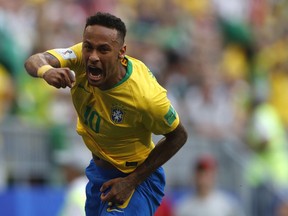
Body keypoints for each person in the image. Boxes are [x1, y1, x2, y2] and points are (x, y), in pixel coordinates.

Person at [24, 12, 187, 216]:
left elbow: (179, 136)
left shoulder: (145, 97)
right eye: (88, 47)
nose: (93, 56)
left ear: (121, 52)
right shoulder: (79, 58)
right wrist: (46, 71)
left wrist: (131, 181)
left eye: (103, 50)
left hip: (137, 179)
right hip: (98, 174)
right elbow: (35, 60)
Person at [174, 154, 245, 216]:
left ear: (214, 176)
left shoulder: (228, 205)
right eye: (200, 174)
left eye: (207, 175)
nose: (203, 179)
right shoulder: (184, 206)